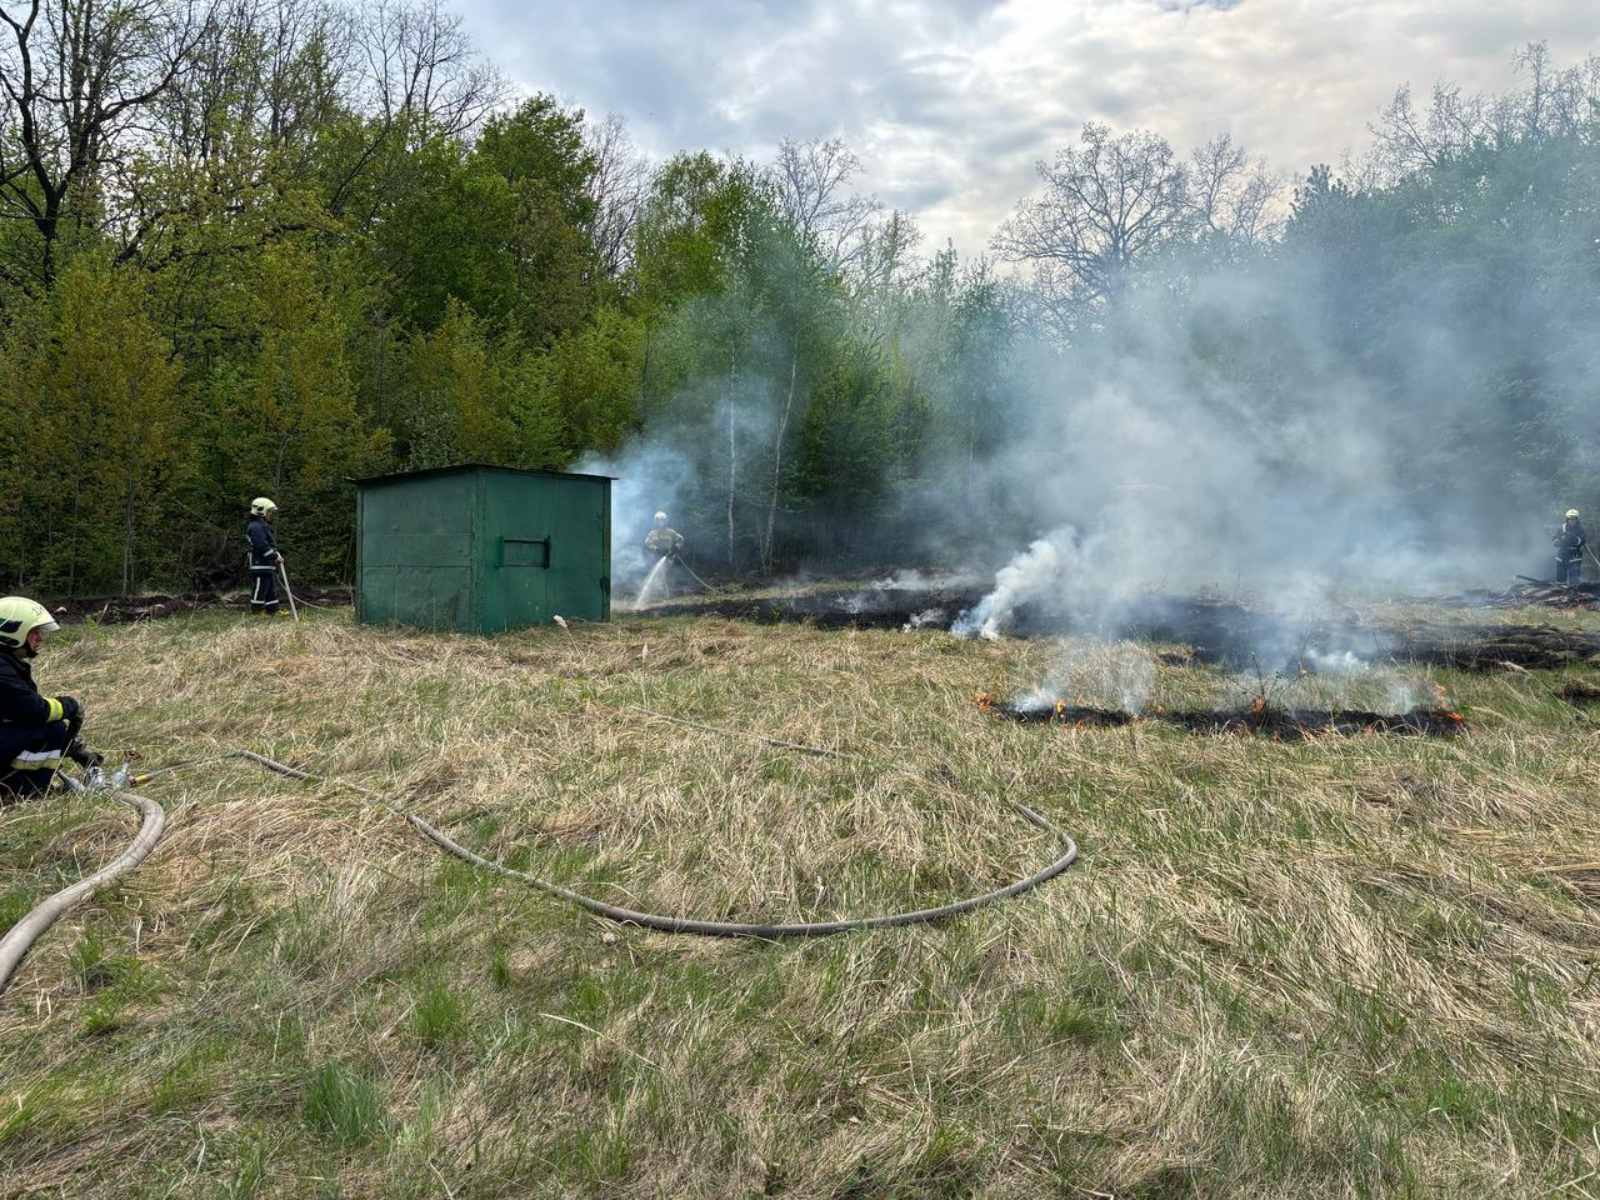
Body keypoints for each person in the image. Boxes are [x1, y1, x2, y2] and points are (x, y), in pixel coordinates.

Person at [0, 596, 95, 801]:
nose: (39, 639)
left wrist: (73, 747)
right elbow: (35, 711)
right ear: (12, 631)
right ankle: (24, 792)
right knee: (52, 729)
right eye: (34, 632)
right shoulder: (2, 668)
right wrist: (70, 706)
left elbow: (14, 712)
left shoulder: (7, 663)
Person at [246, 497, 285, 615]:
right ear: (261, 511)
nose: (270, 515)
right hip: (259, 564)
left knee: (270, 590)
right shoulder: (255, 527)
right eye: (269, 512)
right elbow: (261, 545)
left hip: (267, 565)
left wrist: (276, 554)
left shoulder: (262, 525)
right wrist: (274, 556)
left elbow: (269, 543)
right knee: (260, 588)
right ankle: (257, 612)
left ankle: (272, 611)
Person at [1554, 508, 1587, 586]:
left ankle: (1574, 593)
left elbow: (1582, 541)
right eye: (1570, 519)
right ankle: (1560, 592)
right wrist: (1559, 541)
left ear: (1577, 519)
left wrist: (1572, 537)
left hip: (1574, 555)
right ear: (1567, 519)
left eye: (1574, 519)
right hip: (1562, 554)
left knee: (1574, 577)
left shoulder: (1580, 529)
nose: (1572, 521)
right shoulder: (1562, 528)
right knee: (1560, 578)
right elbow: (1554, 540)